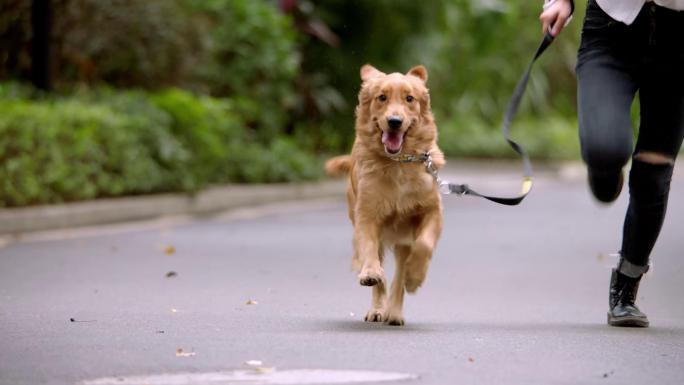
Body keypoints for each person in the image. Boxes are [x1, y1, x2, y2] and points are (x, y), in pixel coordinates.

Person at [539, 0, 684, 327]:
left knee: (654, 175)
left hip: (677, 47)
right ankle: (605, 167)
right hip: (610, 31)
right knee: (606, 150)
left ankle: (626, 286)